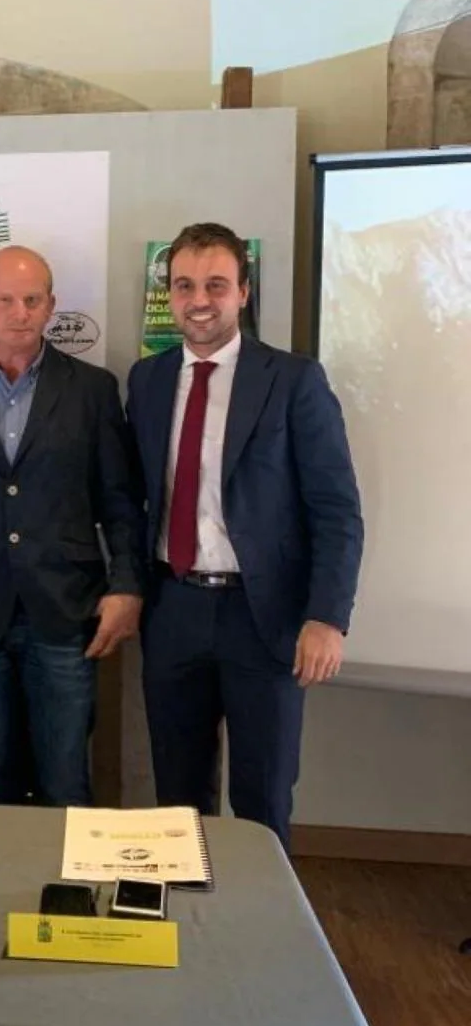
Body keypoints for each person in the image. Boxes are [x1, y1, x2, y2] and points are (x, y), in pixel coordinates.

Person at [126, 221, 364, 849]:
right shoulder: (146, 381)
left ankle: (263, 937)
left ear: (243, 292)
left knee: (261, 795)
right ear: (168, 295)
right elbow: (132, 500)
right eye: (183, 285)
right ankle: (187, 929)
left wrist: (327, 617)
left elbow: (336, 508)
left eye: (215, 284)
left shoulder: (293, 381)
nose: (198, 299)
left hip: (265, 617)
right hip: (173, 607)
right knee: (177, 797)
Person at [0, 245, 146, 806]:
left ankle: (65, 893)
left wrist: (127, 585)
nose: (20, 312)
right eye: (6, 300)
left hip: (65, 611)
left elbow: (119, 499)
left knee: (66, 775)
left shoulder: (92, 390)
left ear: (51, 307)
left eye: (32, 300)